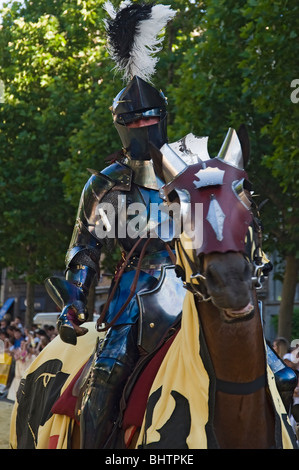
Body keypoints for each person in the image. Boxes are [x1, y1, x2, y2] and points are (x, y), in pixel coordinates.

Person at [45, 2, 183, 449]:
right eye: (134, 120)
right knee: (103, 376)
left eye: (150, 118)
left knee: (274, 372)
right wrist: (73, 302)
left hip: (196, 286)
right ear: (121, 127)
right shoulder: (105, 186)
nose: (144, 125)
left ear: (164, 119)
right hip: (134, 296)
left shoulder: (192, 174)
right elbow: (84, 250)